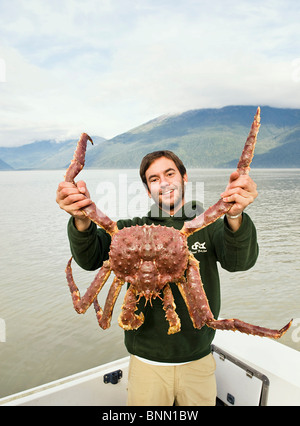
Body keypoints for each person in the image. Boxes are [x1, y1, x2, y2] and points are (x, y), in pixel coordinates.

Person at [56, 150, 258, 406]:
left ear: (185, 178)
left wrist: (234, 214)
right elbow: (90, 258)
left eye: (169, 173)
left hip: (199, 361)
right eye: (153, 179)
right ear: (147, 189)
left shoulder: (210, 227)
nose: (163, 182)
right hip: (146, 364)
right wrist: (81, 221)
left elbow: (239, 262)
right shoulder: (127, 231)